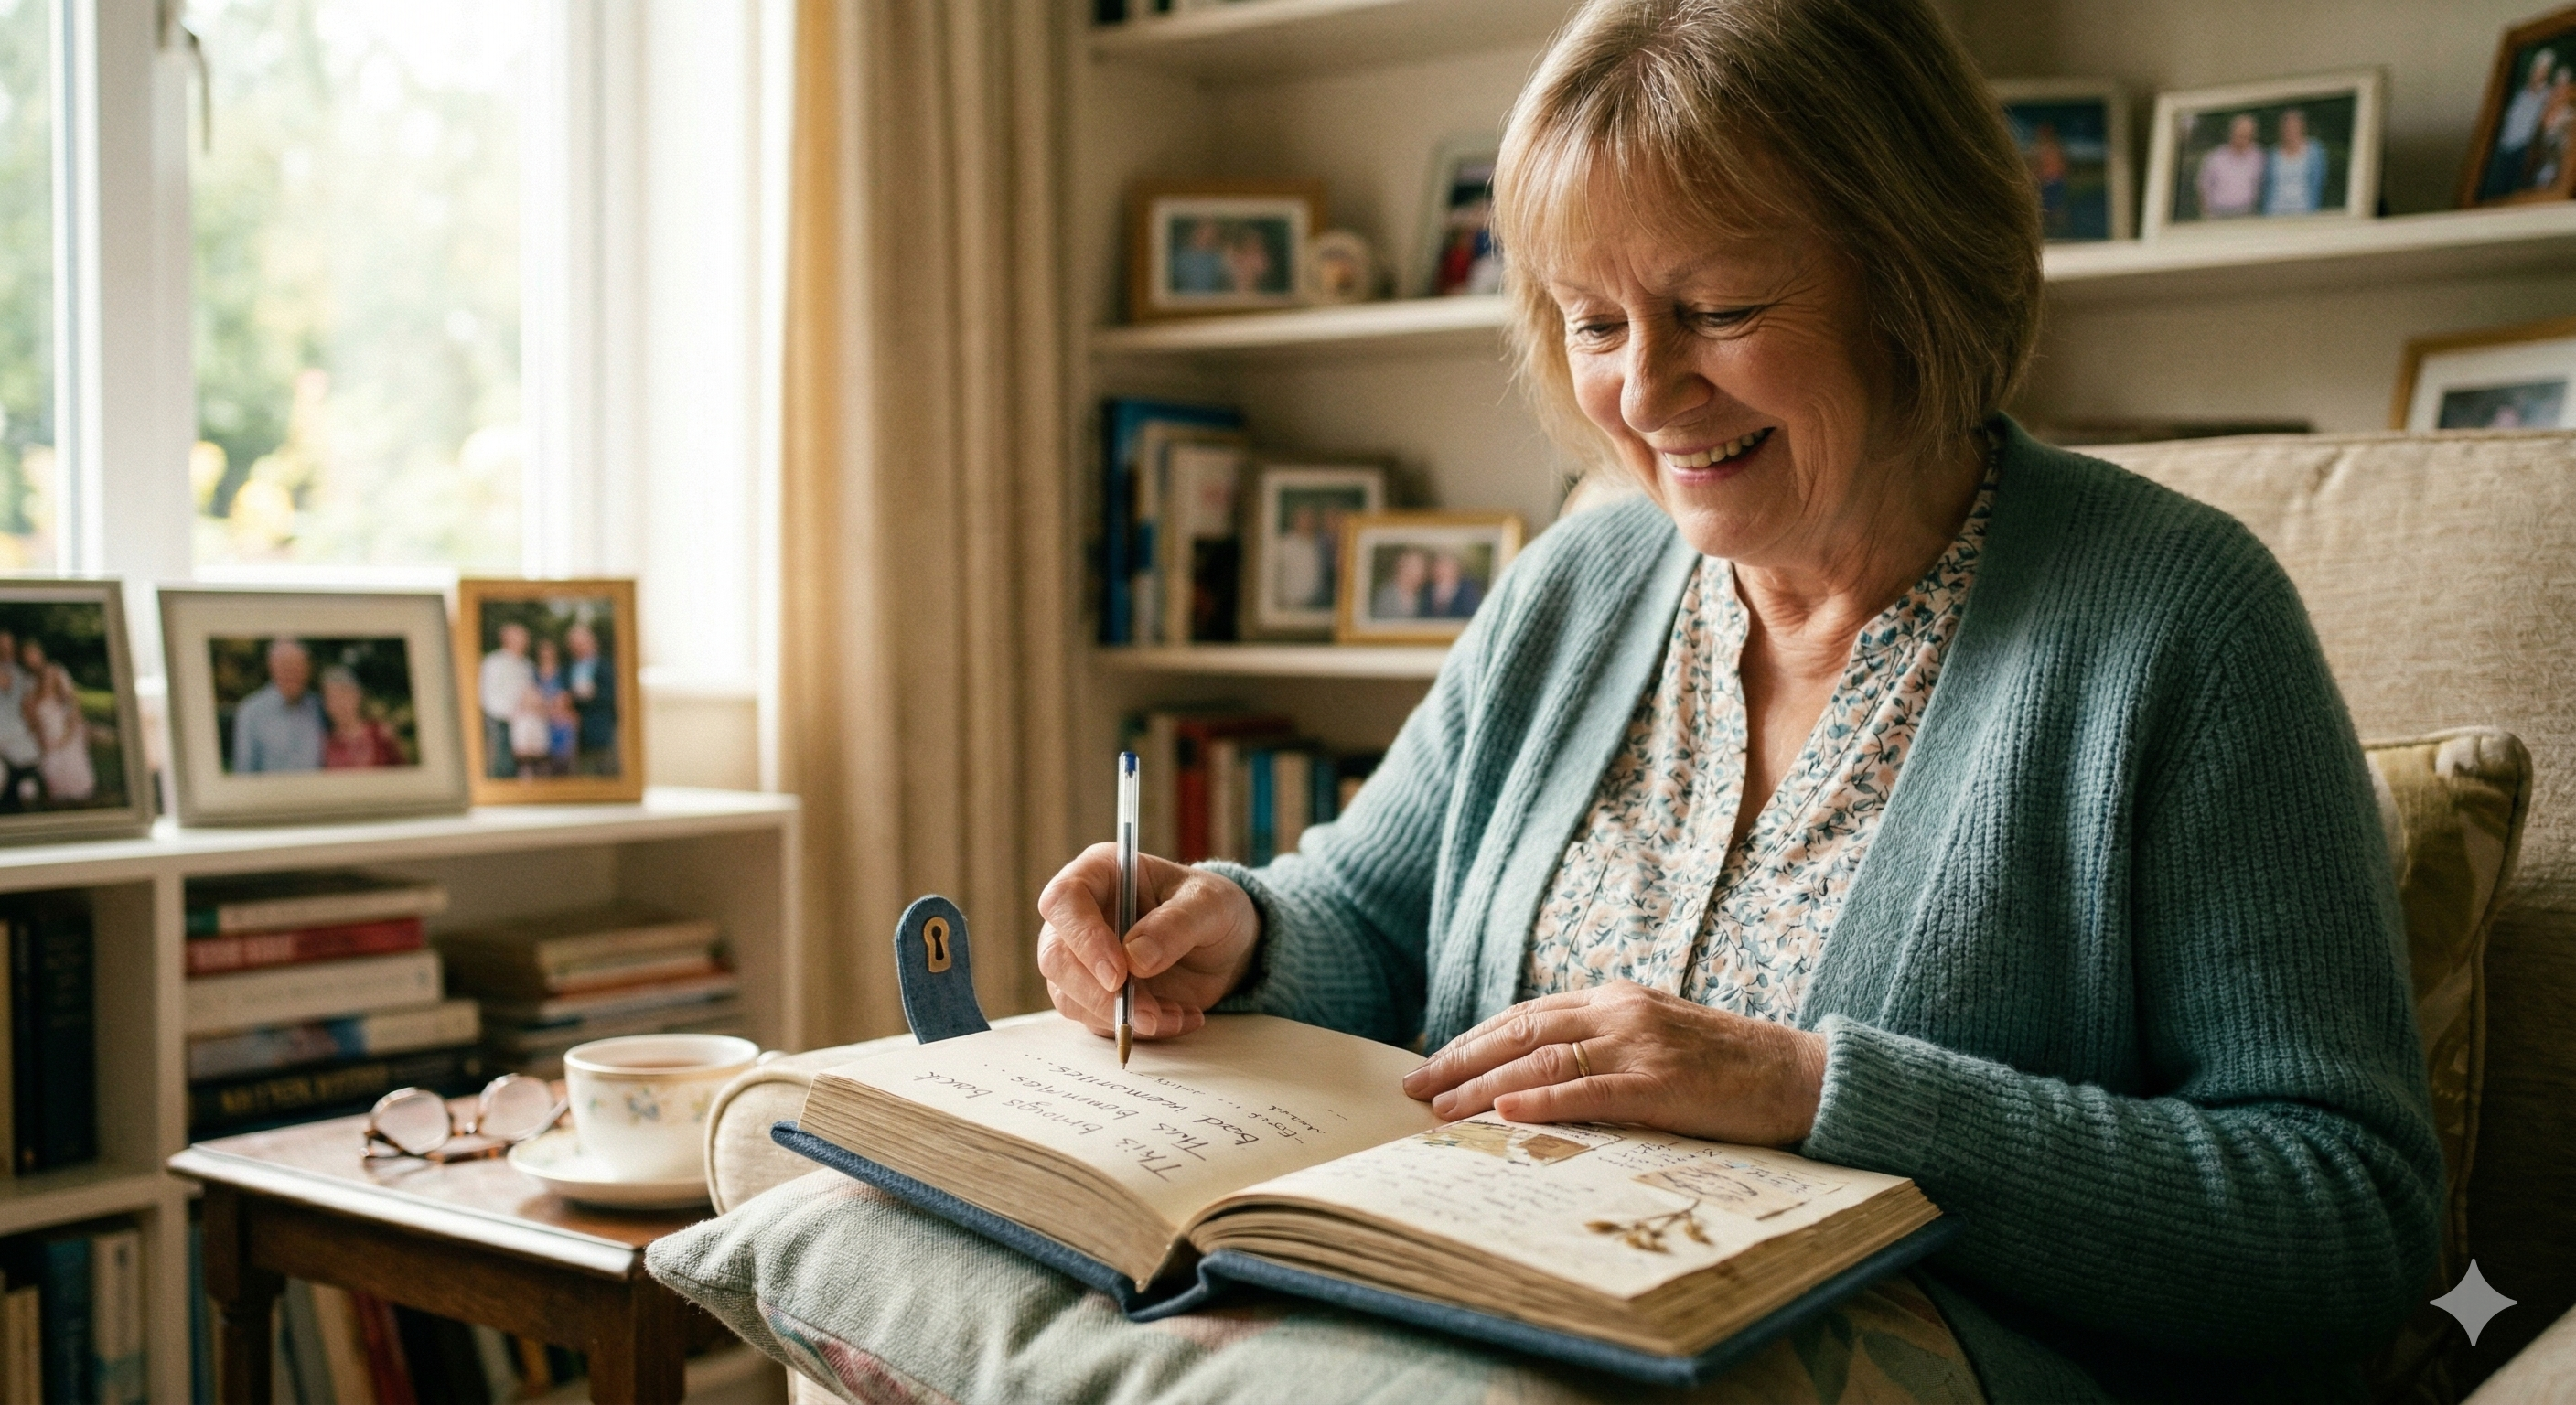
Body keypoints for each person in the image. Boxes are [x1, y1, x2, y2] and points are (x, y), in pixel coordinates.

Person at [1035, 2, 2439, 1397]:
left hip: (1921, 1362)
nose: (1644, 394)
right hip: (1472, 1304)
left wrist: (1809, 1091)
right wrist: (1232, 927)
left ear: (1911, 273)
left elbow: (2346, 1216)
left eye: (1718, 310)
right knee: (854, 1225)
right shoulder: (1580, 577)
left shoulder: (2180, 619)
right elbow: (1374, 915)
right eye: (1594, 322)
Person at [230, 638, 326, 774]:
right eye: (286, 667)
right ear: (272, 668)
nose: (294, 673)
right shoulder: (251, 711)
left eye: (299, 667)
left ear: (308, 670)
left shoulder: (318, 705)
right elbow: (244, 773)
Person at [20, 639, 91, 803]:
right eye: (27, 655)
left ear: (41, 653)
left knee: (73, 773)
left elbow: (72, 704)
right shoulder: (29, 682)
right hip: (46, 733)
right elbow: (29, 714)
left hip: (64, 729)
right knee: (53, 772)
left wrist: (68, 733)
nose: (31, 658)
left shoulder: (56, 671)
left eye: (33, 653)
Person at [2484, 50, 2558, 200]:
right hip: (2507, 147)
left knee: (2517, 190)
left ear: (2547, 73)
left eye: (2543, 70)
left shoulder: (2548, 94)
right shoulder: (2521, 94)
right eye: (2537, 69)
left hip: (2526, 149)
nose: (2538, 73)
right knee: (2498, 190)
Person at [478, 621, 536, 778]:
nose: (525, 642)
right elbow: (485, 693)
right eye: (521, 638)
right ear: (508, 639)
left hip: (523, 722)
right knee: (500, 765)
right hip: (498, 720)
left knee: (522, 766)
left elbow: (529, 692)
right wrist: (507, 713)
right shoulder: (493, 662)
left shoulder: (527, 665)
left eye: (525, 638)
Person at [317, 666, 403, 769]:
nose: (340, 704)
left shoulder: (380, 734)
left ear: (358, 696)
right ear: (326, 705)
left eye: (345, 695)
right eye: (332, 698)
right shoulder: (326, 745)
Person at [565, 621, 619, 776]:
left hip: (602, 734)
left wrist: (594, 693)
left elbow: (614, 696)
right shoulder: (568, 668)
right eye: (574, 644)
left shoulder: (606, 666)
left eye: (581, 643)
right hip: (578, 738)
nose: (578, 647)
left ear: (591, 642)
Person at [0, 631, 42, 810]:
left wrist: (35, 730)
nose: (5, 650)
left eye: (8, 646)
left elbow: (29, 709)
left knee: (26, 781)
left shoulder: (21, 675)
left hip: (18, 735)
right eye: (2, 646)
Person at [2195, 111, 2265, 218]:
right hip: (2219, 214)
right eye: (2240, 135)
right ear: (2232, 133)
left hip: (2247, 214)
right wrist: (2207, 215)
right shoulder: (2215, 157)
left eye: (2247, 136)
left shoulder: (2259, 157)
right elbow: (2202, 186)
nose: (2243, 139)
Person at [2263, 107, 2327, 216]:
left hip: (2304, 211)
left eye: (2293, 126)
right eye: (2286, 127)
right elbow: (2268, 186)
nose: (2289, 130)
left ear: (2302, 126)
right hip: (2275, 212)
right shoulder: (2273, 153)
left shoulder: (2315, 150)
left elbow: (2318, 184)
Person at [1271, 504, 1331, 612]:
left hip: (1316, 605)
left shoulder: (1320, 544)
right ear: (1294, 521)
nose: (1307, 522)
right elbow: (1274, 576)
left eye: (1309, 518)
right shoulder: (1284, 545)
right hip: (1291, 605)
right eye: (1302, 518)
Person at [1168, 218, 1229, 295]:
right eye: (1205, 230)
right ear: (1196, 231)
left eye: (1213, 233)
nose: (1209, 235)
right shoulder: (1178, 256)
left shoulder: (1216, 257)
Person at [1368, 547, 1430, 620]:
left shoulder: (1424, 596)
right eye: (1414, 566)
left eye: (1422, 567)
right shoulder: (1386, 594)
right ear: (1401, 567)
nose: (1419, 572)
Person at [1421, 551, 1484, 619]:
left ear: (1457, 569)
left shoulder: (1468, 591)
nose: (1442, 570)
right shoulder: (1426, 590)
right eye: (1439, 566)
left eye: (1447, 566)